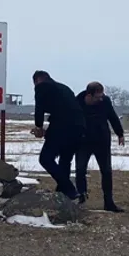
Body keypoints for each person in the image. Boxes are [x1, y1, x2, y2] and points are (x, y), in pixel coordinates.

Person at [30, 70, 84, 200]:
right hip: (79, 128)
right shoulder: (64, 88)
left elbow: (39, 108)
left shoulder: (42, 87)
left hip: (62, 127)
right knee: (65, 160)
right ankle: (63, 194)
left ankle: (70, 190)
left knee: (45, 159)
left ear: (37, 81)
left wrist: (38, 126)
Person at [74, 81, 125, 212]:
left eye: (101, 96)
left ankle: (109, 203)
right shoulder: (77, 102)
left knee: (106, 171)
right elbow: (70, 120)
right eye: (97, 97)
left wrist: (120, 133)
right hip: (83, 142)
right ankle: (81, 199)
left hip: (102, 140)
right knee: (80, 170)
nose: (100, 99)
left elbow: (112, 117)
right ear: (89, 95)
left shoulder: (105, 101)